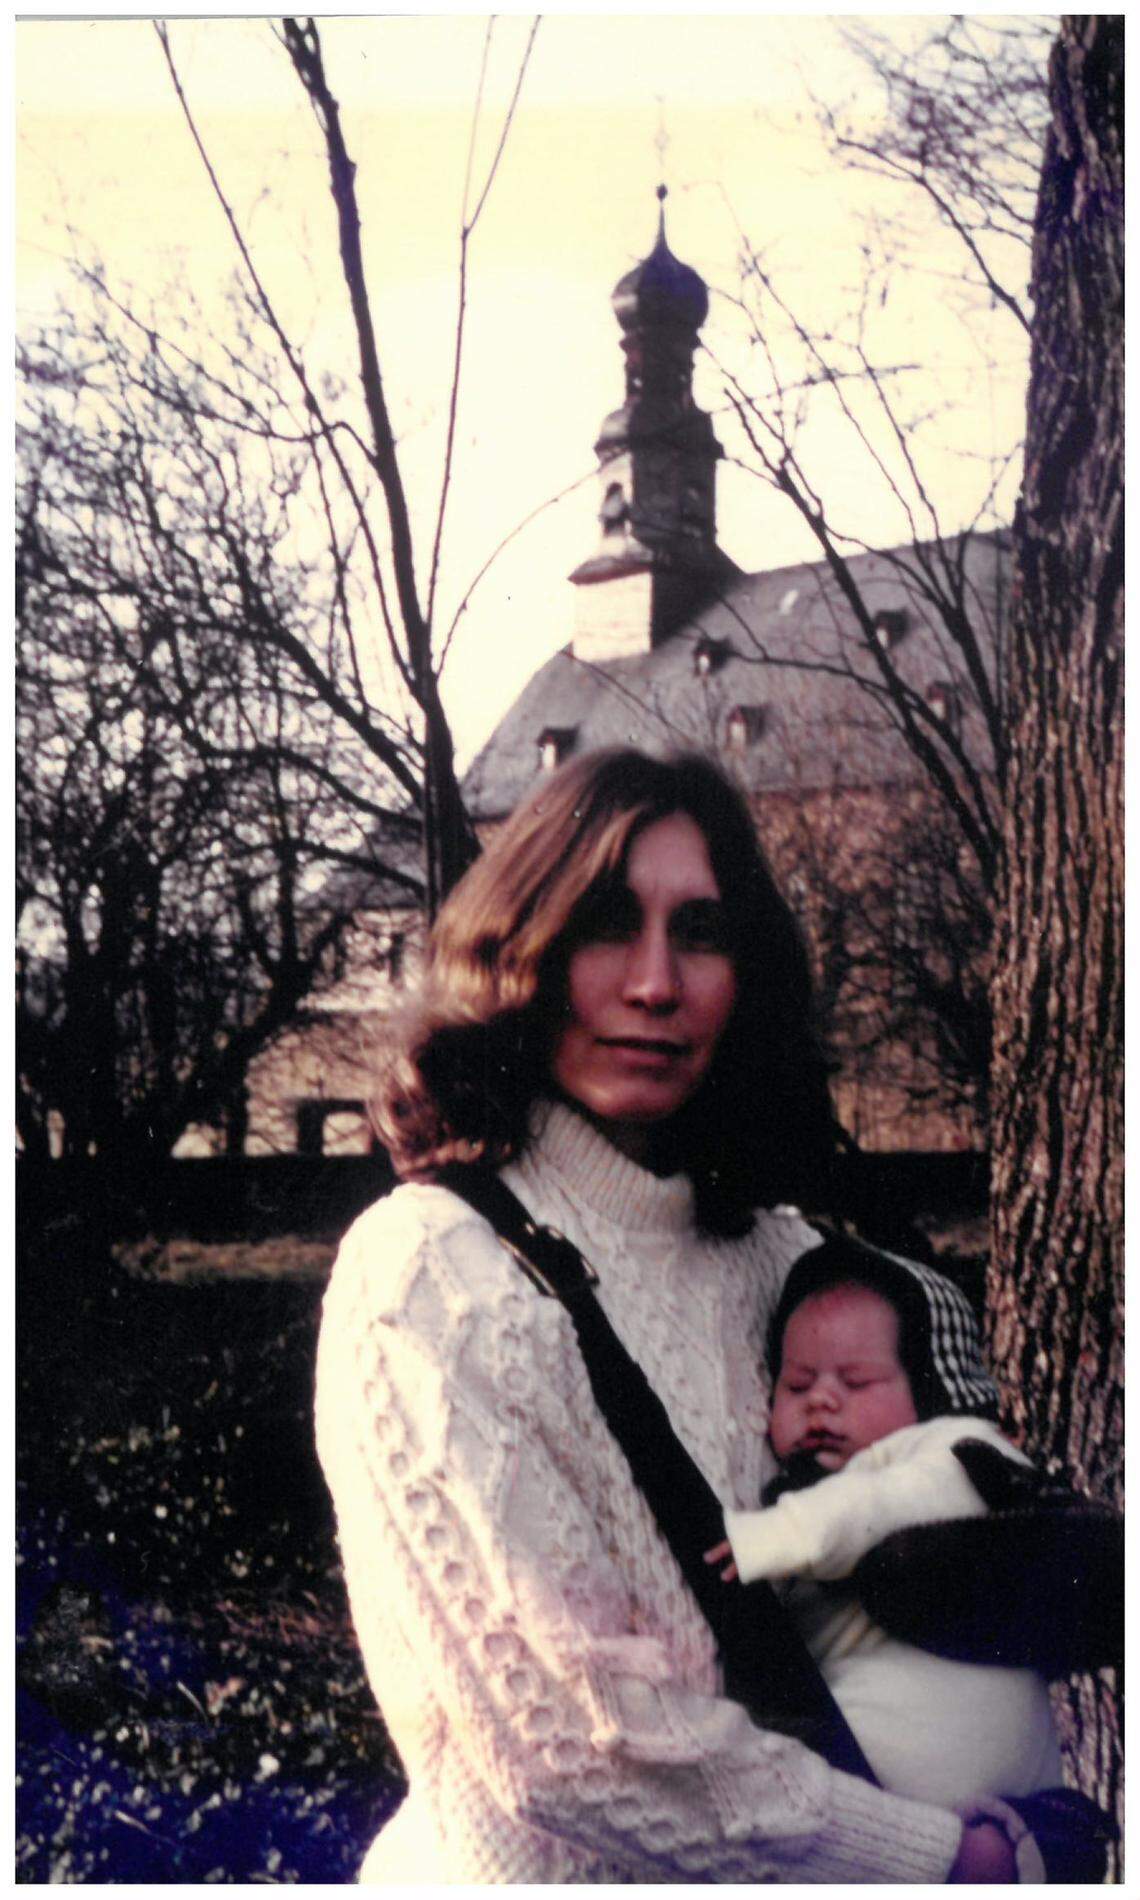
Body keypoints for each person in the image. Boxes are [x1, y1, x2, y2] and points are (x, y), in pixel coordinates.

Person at [315, 745, 1027, 1882]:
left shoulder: (791, 1265)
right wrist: (938, 1859)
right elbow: (567, 1745)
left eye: (700, 932)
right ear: (524, 952)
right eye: (607, 923)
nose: (657, 983)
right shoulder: (429, 1274)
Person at [703, 1238, 1064, 1826]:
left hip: (975, 1789)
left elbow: (882, 1506)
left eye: (858, 1382)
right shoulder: (807, 1491)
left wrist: (774, 1536)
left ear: (932, 1390)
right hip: (876, 1808)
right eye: (796, 1386)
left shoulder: (962, 1453)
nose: (821, 1400)